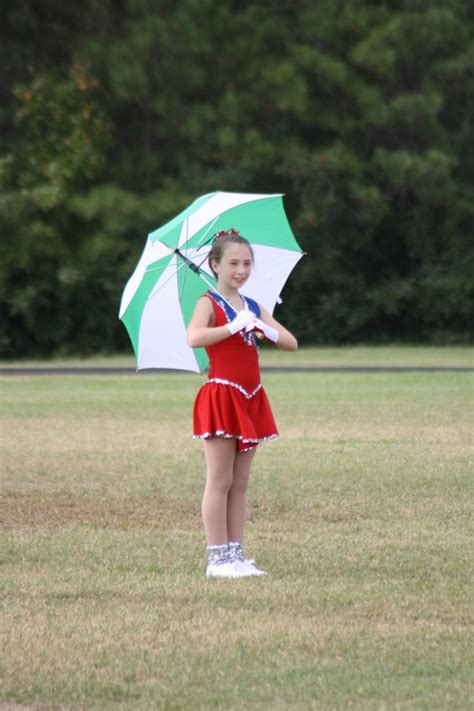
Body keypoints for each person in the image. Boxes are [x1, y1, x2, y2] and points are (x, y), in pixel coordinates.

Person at [186, 228, 298, 578]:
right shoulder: (208, 302)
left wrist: (268, 330)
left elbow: (291, 342)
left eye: (247, 263)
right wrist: (232, 328)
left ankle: (236, 556)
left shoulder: (252, 305)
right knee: (219, 481)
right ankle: (217, 560)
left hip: (251, 397)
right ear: (214, 265)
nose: (241, 270)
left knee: (240, 484)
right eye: (233, 263)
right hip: (222, 396)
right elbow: (194, 337)